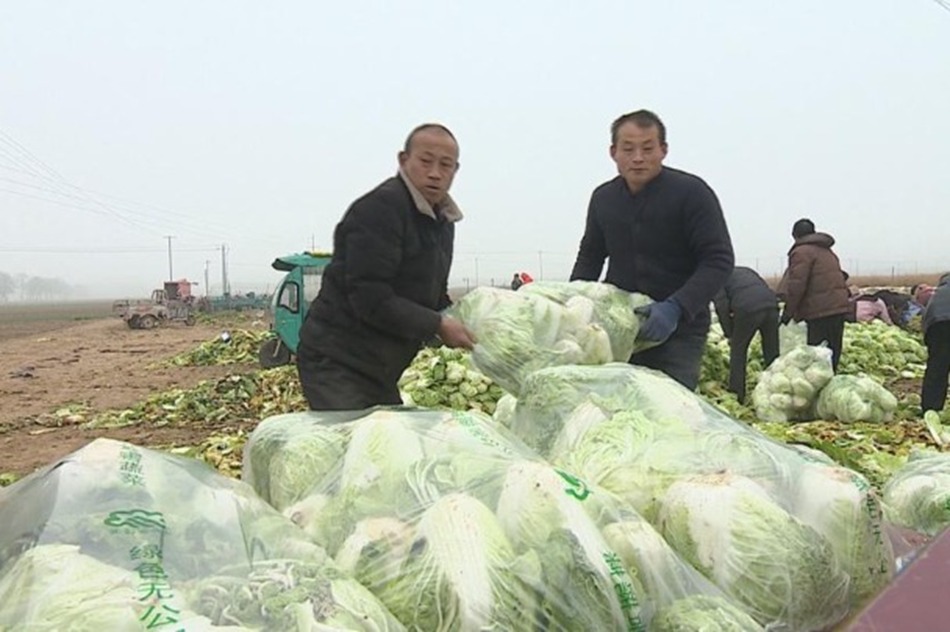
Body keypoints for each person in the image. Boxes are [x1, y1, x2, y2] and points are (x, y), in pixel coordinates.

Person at [296, 123, 476, 410]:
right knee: (358, 444)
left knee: (385, 442)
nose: (435, 173)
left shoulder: (442, 221)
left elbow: (432, 294)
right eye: (425, 161)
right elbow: (370, 297)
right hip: (338, 360)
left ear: (456, 170)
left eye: (446, 165)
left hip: (381, 365)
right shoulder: (379, 209)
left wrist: (469, 321)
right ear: (404, 160)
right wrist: (439, 324)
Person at [570, 109, 734, 389]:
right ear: (613, 152)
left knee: (671, 411)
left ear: (663, 150)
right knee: (621, 409)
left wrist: (676, 307)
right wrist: (571, 304)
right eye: (628, 148)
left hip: (679, 329)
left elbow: (718, 259)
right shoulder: (604, 199)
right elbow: (591, 257)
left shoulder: (691, 193)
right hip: (620, 328)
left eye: (647, 148)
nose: (638, 158)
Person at [776, 218, 851, 371]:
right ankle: (830, 383)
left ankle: (819, 388)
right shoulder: (827, 251)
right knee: (832, 349)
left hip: (819, 310)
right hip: (838, 306)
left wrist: (788, 313)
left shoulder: (801, 252)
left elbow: (797, 284)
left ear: (795, 235)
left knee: (816, 354)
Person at [713, 266, 780, 403]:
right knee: (772, 351)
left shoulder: (717, 277)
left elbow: (721, 306)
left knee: (738, 351)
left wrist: (729, 333)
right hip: (771, 305)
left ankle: (737, 395)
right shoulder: (746, 270)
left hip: (748, 309)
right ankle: (776, 390)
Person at [921, 273, 950, 413]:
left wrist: (929, 342)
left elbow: (927, 317)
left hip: (936, 326)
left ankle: (931, 408)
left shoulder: (938, 293)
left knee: (936, 368)